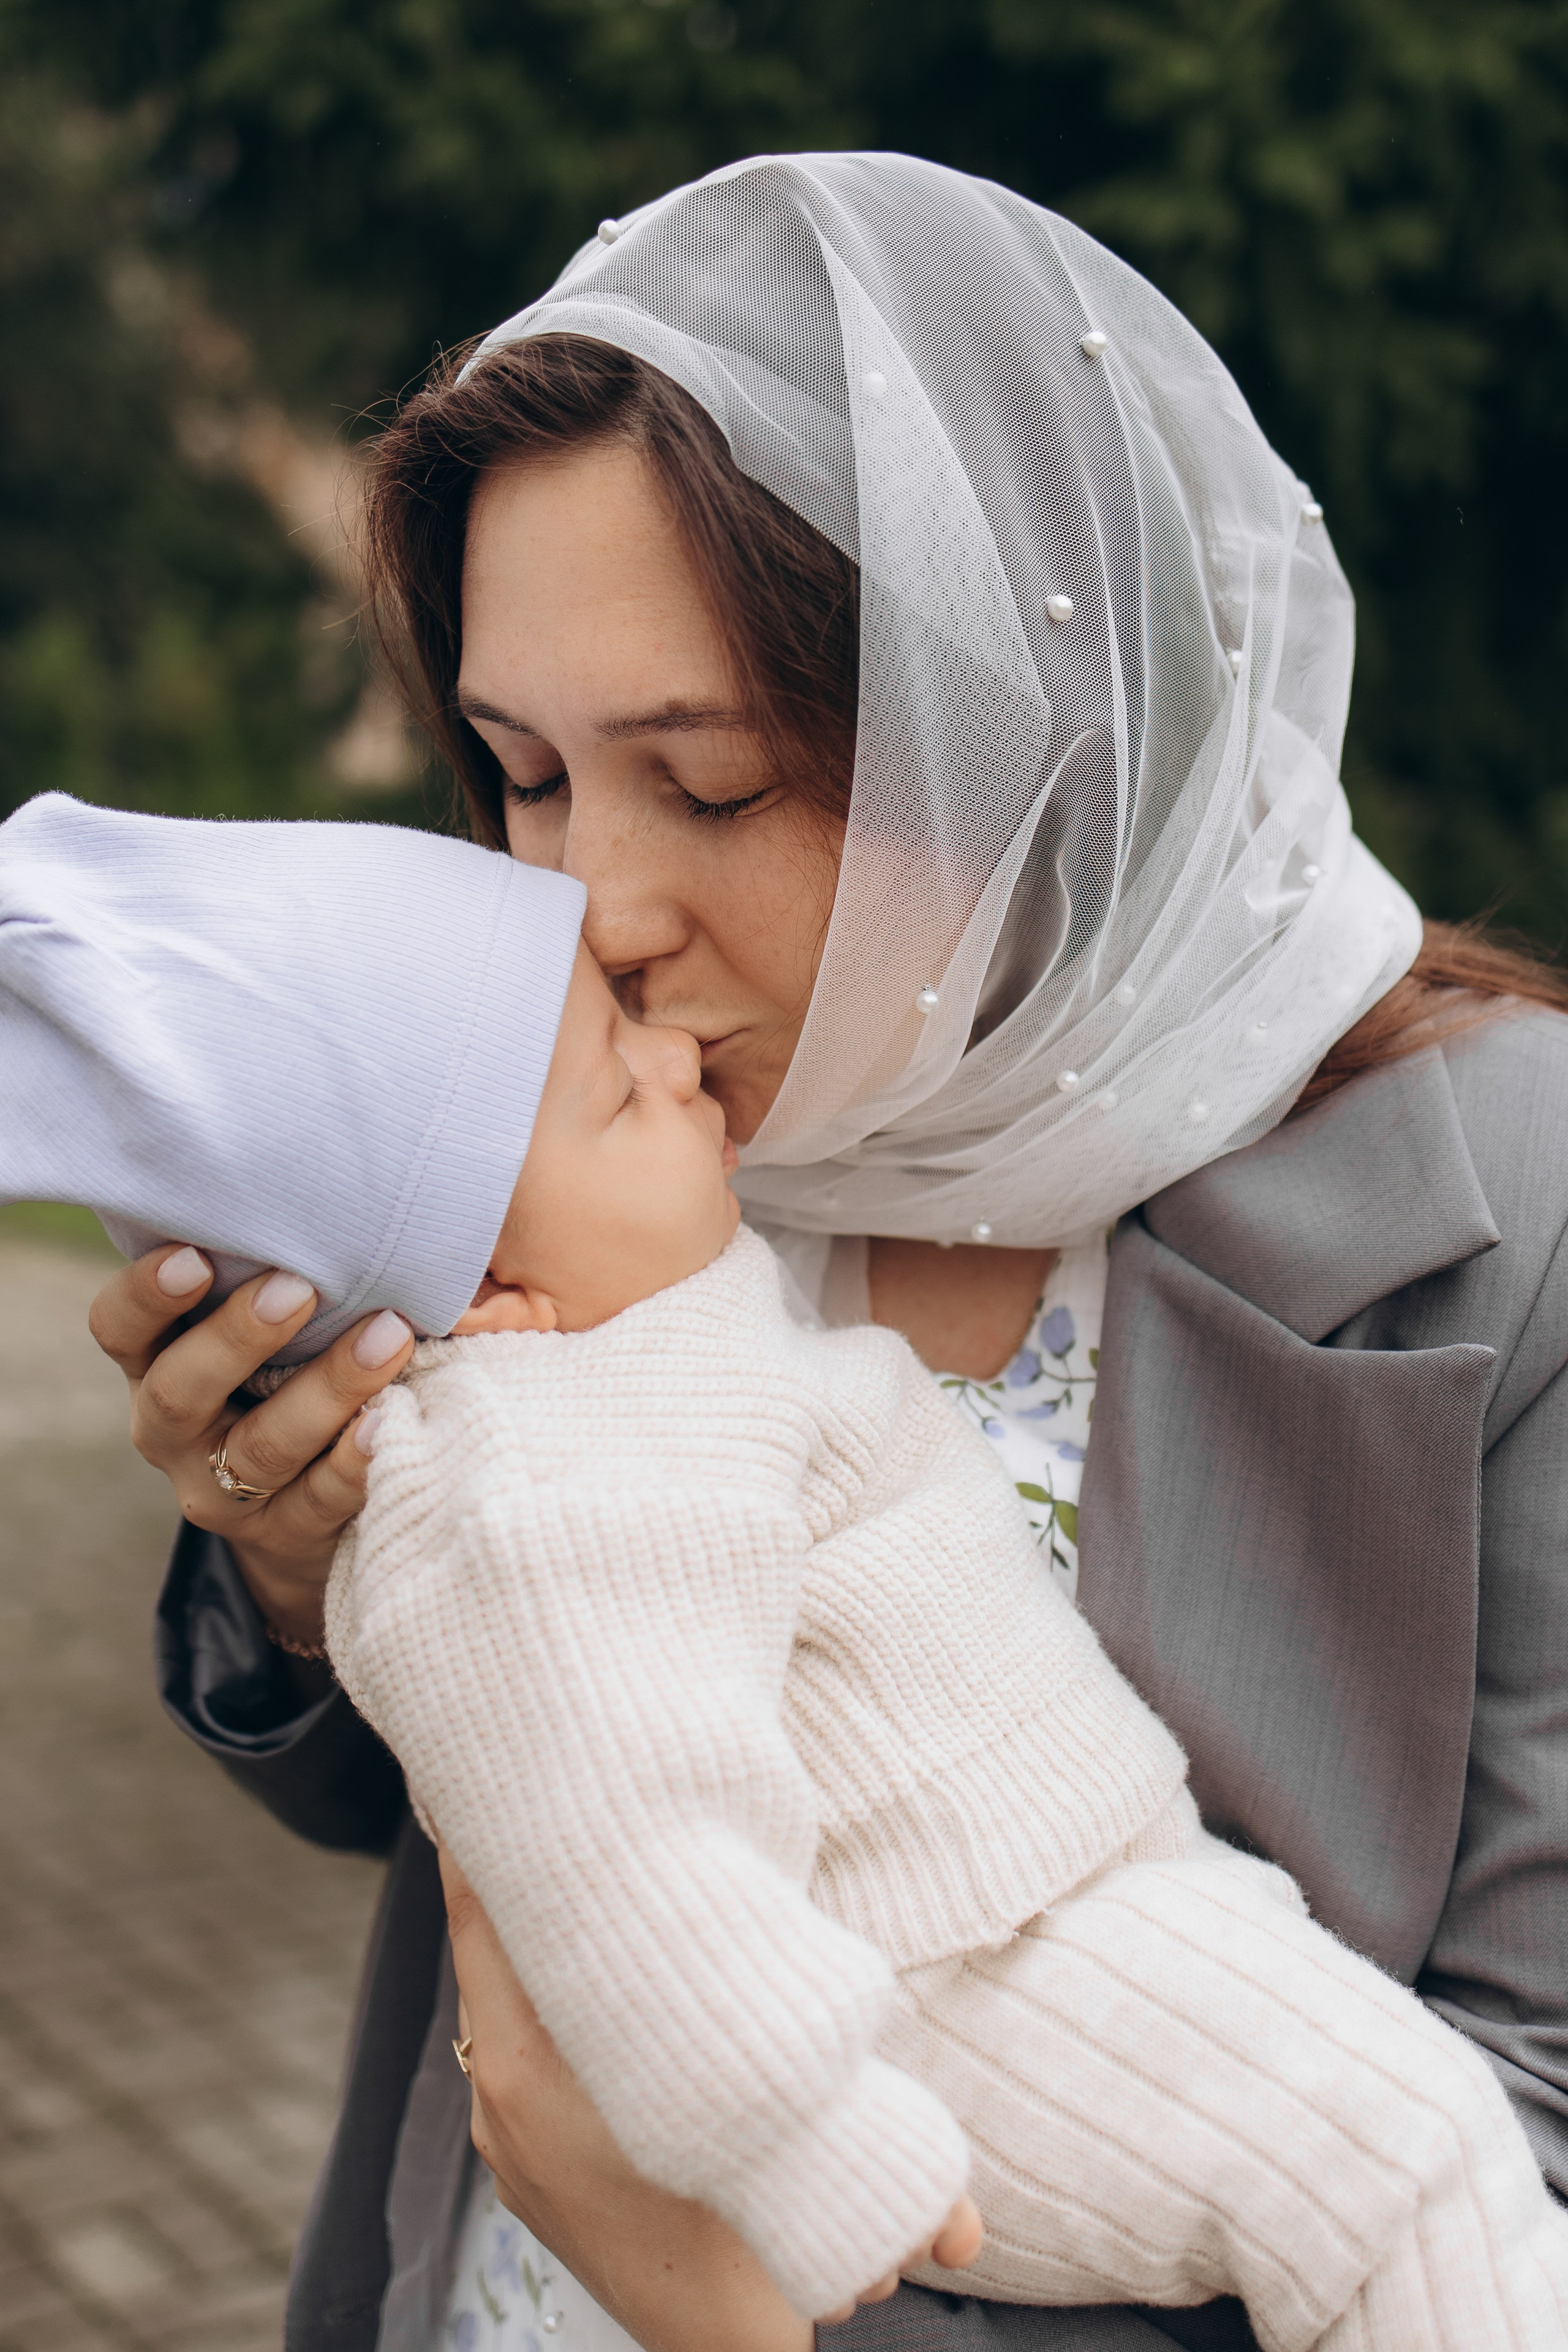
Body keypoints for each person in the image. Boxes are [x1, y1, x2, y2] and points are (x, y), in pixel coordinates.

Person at [79, 154, 1568, 2352]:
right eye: (519, 772)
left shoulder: (1505, 1213)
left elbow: (1515, 2141)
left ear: (1016, 729)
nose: (587, 909)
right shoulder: (609, 1125)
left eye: (709, 781)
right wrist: (299, 1568)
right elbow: (519, 1752)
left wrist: (727, 2300)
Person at [7, 791, 1563, 2350]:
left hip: (1064, 1909)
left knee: (1413, 2164)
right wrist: (800, 2139)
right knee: (1406, 2176)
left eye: (708, 783)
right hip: (953, 1990)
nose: (666, 1043)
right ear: (488, 1290)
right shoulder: (546, 1483)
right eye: (617, 1094)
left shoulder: (629, 1323)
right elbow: (644, 1866)